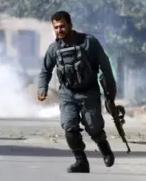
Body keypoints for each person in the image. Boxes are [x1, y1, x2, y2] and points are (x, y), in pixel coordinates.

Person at [37, 10, 116, 173]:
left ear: (70, 25)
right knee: (69, 127)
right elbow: (45, 70)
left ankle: (105, 149)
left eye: (62, 26)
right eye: (56, 28)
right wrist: (42, 88)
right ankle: (81, 161)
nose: (59, 30)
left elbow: (105, 65)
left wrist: (111, 91)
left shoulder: (88, 42)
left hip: (89, 92)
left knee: (94, 127)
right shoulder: (54, 49)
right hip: (68, 93)